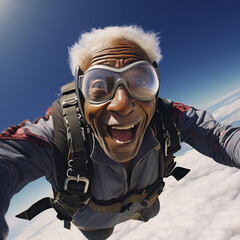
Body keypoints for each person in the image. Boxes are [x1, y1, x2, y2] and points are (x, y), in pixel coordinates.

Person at [0, 25, 239, 240]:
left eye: (141, 82)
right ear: (82, 96)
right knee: (100, 234)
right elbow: (8, 158)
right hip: (94, 224)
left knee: (150, 212)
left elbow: (218, 136)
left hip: (145, 204)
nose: (122, 103)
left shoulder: (167, 117)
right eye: (99, 86)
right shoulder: (58, 134)